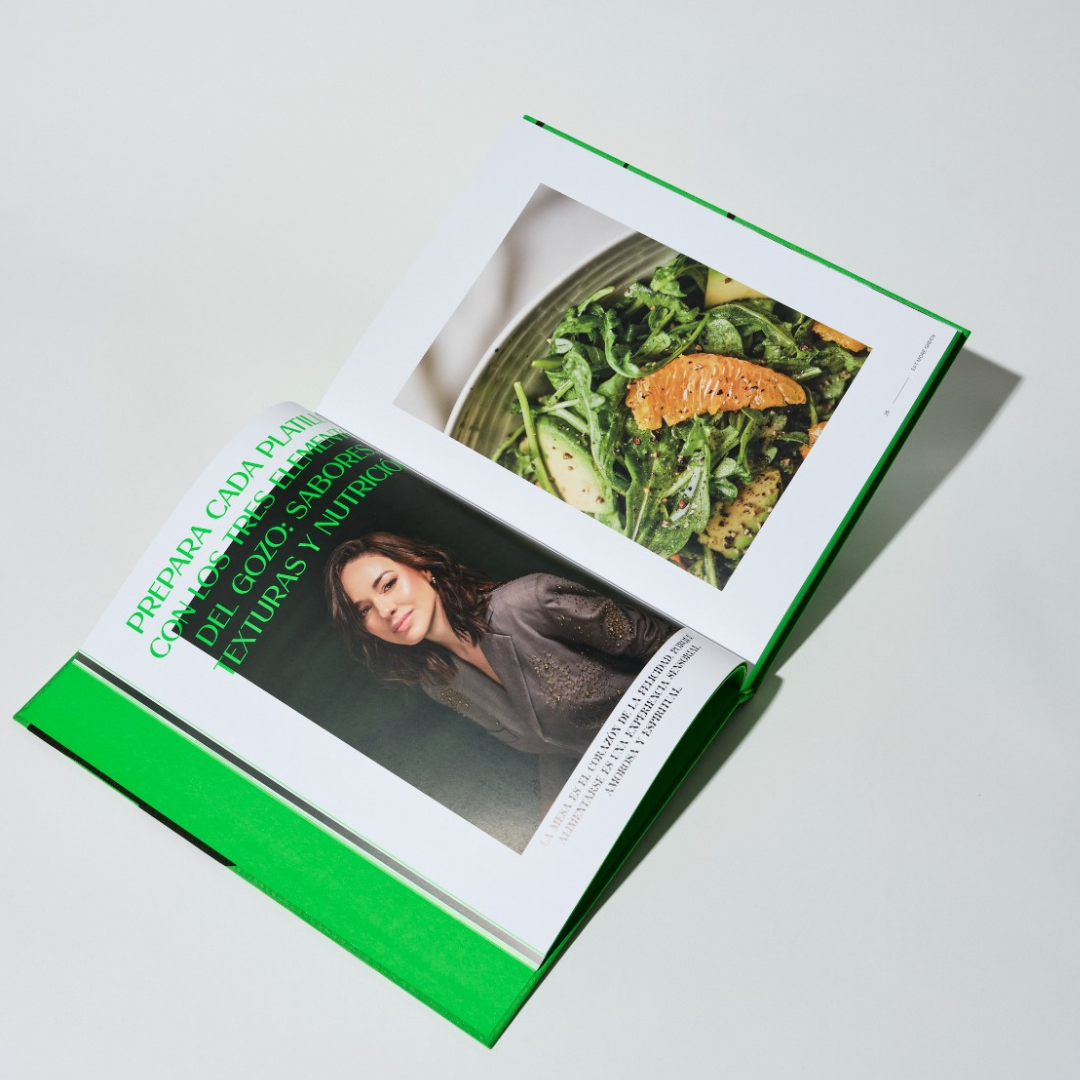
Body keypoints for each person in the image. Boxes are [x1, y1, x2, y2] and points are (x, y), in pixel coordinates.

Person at [324, 533, 676, 761]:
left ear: (424, 569)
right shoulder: (440, 684)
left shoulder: (529, 601)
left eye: (387, 585)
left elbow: (657, 640)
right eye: (364, 611)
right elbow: (554, 747)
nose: (384, 610)